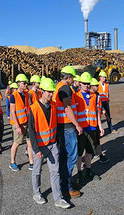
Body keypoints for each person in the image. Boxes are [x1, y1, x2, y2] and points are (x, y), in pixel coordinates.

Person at [29, 77, 70, 209]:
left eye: (52, 92)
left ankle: (58, 199)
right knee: (37, 170)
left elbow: (56, 125)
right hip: (40, 146)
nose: (51, 94)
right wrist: (36, 149)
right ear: (41, 91)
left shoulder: (53, 105)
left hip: (52, 144)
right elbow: (31, 131)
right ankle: (36, 193)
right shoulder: (34, 108)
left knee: (55, 171)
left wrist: (57, 142)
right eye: (49, 92)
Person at [53, 65, 82, 198]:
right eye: (72, 78)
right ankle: (67, 186)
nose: (73, 81)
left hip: (60, 127)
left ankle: (63, 183)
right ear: (69, 77)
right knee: (72, 156)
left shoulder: (58, 87)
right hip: (67, 127)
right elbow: (67, 108)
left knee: (64, 157)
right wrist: (77, 125)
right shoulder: (66, 89)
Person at [75, 72, 104, 184]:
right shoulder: (75, 96)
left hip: (92, 128)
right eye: (84, 83)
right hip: (81, 130)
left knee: (90, 152)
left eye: (88, 84)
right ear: (80, 84)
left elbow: (97, 113)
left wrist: (100, 126)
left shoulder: (95, 97)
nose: (86, 85)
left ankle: (88, 170)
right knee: (79, 153)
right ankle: (78, 172)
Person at [9, 73, 33, 171]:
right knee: (17, 143)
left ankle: (31, 162)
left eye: (26, 83)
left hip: (27, 122)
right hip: (18, 124)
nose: (26, 85)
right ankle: (12, 162)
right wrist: (18, 126)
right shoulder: (13, 96)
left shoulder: (27, 94)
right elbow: (13, 112)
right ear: (18, 84)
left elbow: (29, 107)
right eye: (24, 83)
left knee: (30, 142)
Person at [90, 78, 109, 164]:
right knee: (92, 141)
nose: (98, 87)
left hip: (96, 122)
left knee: (97, 140)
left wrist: (103, 111)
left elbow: (99, 108)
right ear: (91, 86)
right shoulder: (90, 96)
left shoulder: (97, 95)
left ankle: (99, 155)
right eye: (96, 85)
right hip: (90, 123)